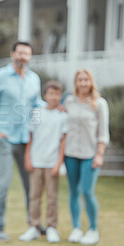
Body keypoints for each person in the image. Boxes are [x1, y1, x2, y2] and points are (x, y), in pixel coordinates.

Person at [0, 41, 44, 241]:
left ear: (30, 57)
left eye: (27, 54)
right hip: (3, 139)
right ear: (12, 54)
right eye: (20, 52)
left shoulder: (34, 79)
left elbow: (37, 106)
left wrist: (51, 112)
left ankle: (34, 224)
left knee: (31, 185)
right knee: (3, 185)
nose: (23, 56)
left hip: (26, 140)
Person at [64, 69, 109, 245]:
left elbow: (103, 133)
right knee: (73, 191)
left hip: (90, 155)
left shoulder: (99, 103)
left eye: (86, 80)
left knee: (87, 191)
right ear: (76, 82)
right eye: (79, 80)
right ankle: (76, 228)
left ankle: (92, 229)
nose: (83, 83)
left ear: (91, 82)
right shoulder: (69, 101)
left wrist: (100, 154)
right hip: (71, 154)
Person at [18, 80, 67, 243]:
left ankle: (52, 227)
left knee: (52, 197)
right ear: (45, 95)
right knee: (34, 196)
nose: (54, 97)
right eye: (51, 93)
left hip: (52, 162)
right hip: (36, 162)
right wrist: (27, 157)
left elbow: (63, 141)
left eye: (57, 94)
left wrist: (59, 162)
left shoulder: (63, 115)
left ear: (60, 96)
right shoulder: (37, 113)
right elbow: (31, 138)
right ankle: (34, 227)